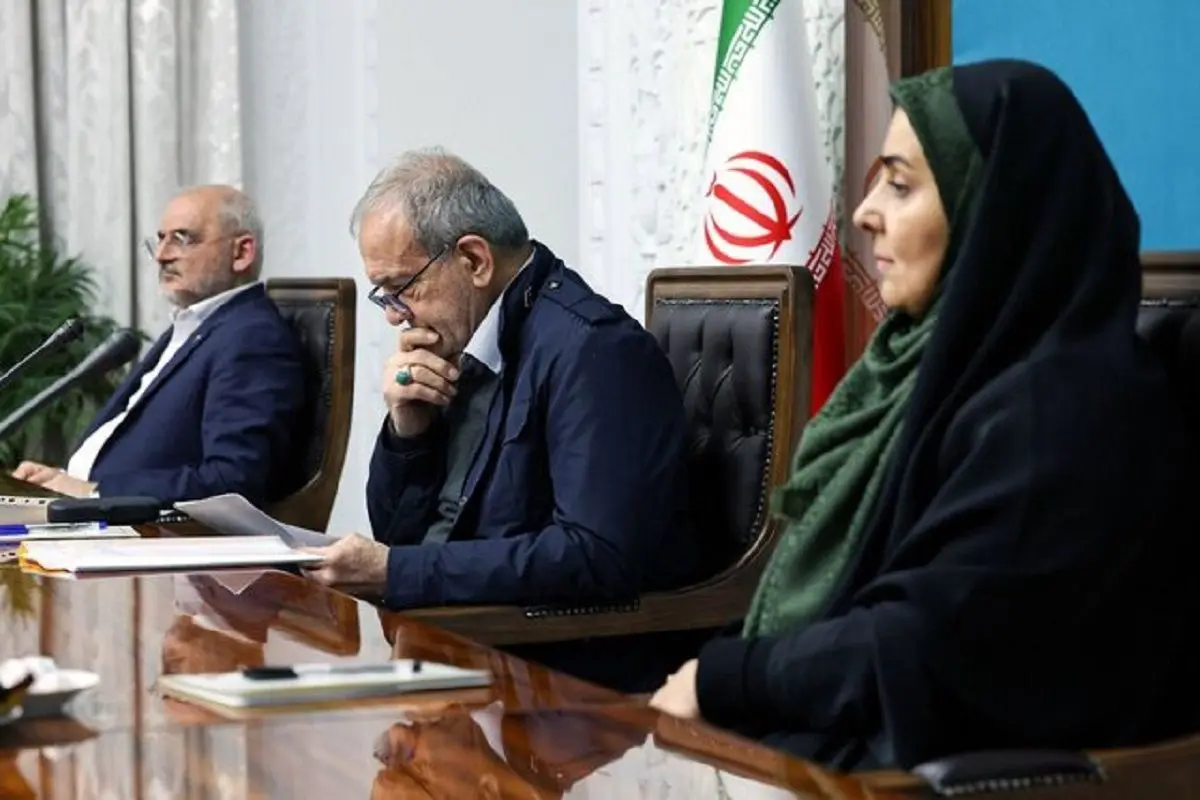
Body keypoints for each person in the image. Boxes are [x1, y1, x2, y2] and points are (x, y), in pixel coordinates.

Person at [649, 60, 1200, 770]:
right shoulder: (933, 369)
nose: (864, 211)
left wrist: (725, 679)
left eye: (901, 184)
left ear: (994, 212)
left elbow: (925, 646)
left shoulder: (1068, 415)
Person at [303, 148, 699, 691]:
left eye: (402, 289)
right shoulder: (466, 340)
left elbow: (596, 556)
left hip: (559, 677)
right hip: (456, 643)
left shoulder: (594, 350)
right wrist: (409, 432)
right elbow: (400, 535)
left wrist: (397, 572)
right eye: (385, 296)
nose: (395, 316)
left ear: (474, 261)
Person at [12, 185, 305, 504]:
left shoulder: (252, 338)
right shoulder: (196, 325)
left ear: (241, 253)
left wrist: (94, 492)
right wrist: (61, 480)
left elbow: (233, 479)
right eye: (160, 239)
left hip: (146, 529)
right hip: (96, 511)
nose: (162, 255)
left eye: (182, 238)